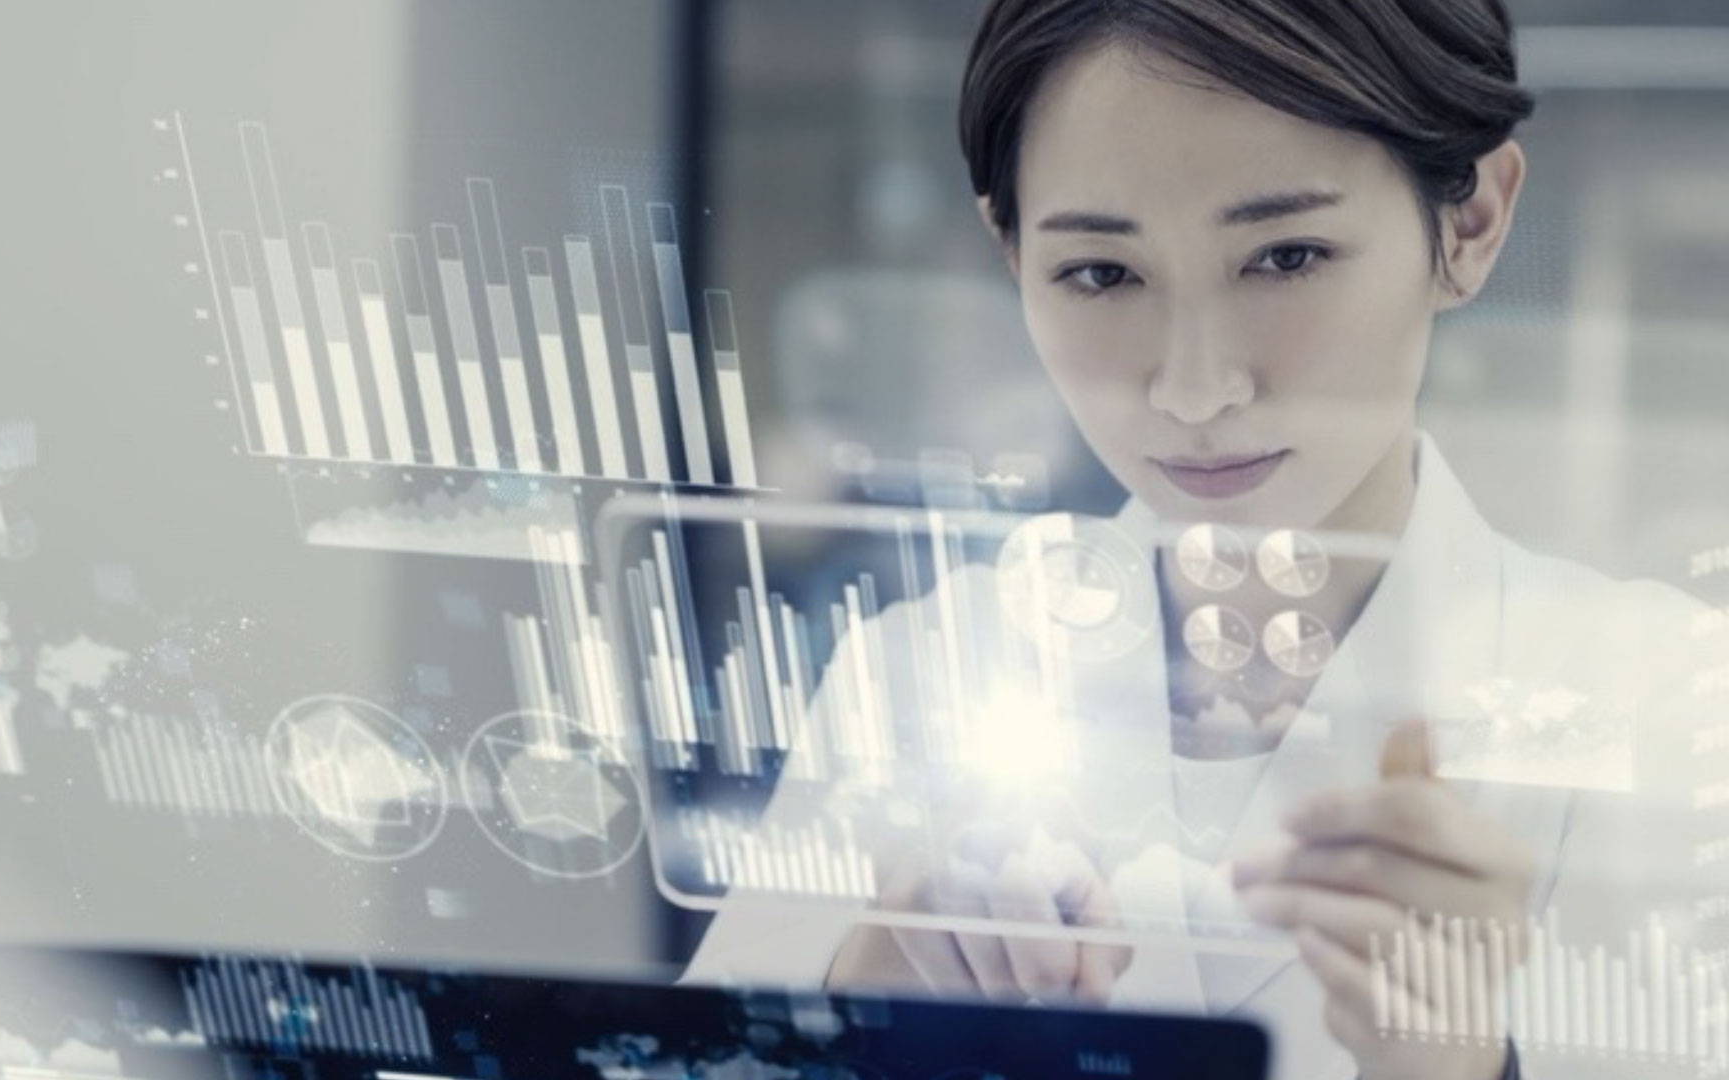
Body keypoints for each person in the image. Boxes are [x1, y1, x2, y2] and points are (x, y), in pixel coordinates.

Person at [683, 2, 1723, 1079]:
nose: (1194, 388)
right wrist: (871, 1003)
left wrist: (1464, 1069)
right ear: (1012, 253)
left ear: (1469, 224)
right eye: (1101, 273)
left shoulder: (1675, 703)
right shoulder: (918, 677)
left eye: (1287, 257)